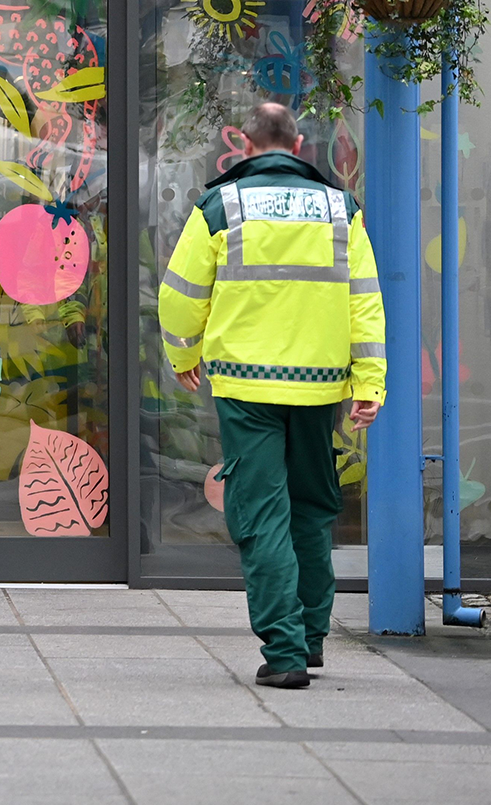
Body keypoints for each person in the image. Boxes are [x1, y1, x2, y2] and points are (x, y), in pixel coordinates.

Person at [157, 103, 386, 690]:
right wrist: (369, 383)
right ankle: (310, 638)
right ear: (300, 143)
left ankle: (283, 652)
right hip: (319, 386)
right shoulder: (342, 209)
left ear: (245, 145)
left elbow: (181, 294)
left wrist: (184, 354)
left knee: (262, 513)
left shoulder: (221, 205)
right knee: (311, 507)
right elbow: (365, 301)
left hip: (247, 387)